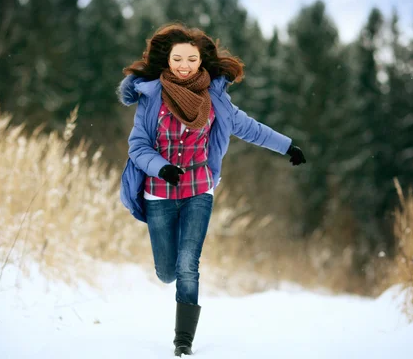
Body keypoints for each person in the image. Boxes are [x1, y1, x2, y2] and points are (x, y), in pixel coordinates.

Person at [117, 23, 306, 356]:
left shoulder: (215, 100)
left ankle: (183, 342)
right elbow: (138, 146)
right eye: (178, 58)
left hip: (198, 191)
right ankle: (175, 299)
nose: (185, 65)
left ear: (201, 61)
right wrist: (161, 167)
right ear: (168, 59)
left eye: (192, 58)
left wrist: (288, 146)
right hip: (160, 193)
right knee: (166, 272)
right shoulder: (151, 97)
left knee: (189, 264)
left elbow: (251, 129)